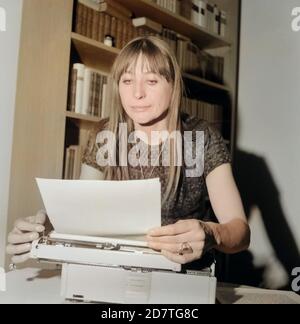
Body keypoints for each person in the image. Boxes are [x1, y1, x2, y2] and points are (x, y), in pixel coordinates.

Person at [6, 36, 250, 267]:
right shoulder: (105, 133)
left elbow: (240, 231)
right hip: (114, 268)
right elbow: (82, 212)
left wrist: (212, 233)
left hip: (182, 274)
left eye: (152, 81)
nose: (137, 93)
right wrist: (42, 229)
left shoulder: (203, 136)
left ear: (173, 85)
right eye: (127, 80)